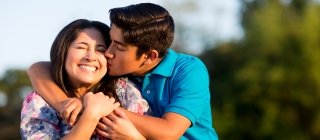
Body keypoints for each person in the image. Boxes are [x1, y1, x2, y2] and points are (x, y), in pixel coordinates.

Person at [27, 3, 219, 140]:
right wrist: (64, 102)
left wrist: (96, 108)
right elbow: (39, 69)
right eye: (109, 42)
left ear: (149, 56)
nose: (108, 53)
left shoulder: (189, 70)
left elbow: (168, 132)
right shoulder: (116, 69)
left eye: (118, 47)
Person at [21, 19, 146, 140]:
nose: (91, 57)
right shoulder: (40, 103)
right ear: (63, 52)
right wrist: (91, 114)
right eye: (81, 47)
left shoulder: (125, 91)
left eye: (100, 50)